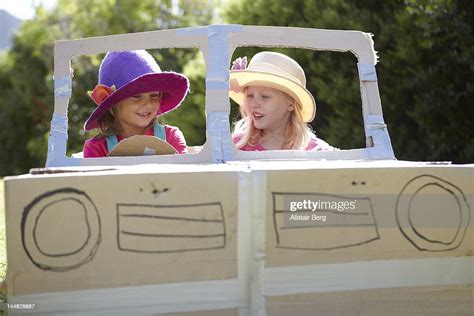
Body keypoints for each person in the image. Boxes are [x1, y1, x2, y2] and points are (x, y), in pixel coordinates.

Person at [83, 50, 189, 157]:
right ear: (111, 105)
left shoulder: (171, 137)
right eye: (137, 96)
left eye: (154, 96)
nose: (148, 104)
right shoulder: (97, 148)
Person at [229, 51, 334, 151]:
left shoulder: (316, 151)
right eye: (250, 96)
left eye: (265, 96)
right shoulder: (235, 147)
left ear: (291, 104)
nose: (254, 104)